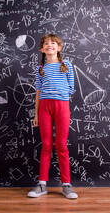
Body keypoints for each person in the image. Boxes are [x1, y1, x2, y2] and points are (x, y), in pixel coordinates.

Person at [27, 34, 78, 199]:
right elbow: (38, 92)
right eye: (46, 44)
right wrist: (36, 114)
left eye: (53, 43)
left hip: (61, 106)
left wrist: (60, 94)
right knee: (47, 145)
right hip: (44, 107)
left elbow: (71, 87)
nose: (50, 45)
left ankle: (66, 185)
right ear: (42, 49)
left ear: (59, 47)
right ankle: (42, 185)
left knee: (61, 145)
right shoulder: (40, 68)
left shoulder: (66, 65)